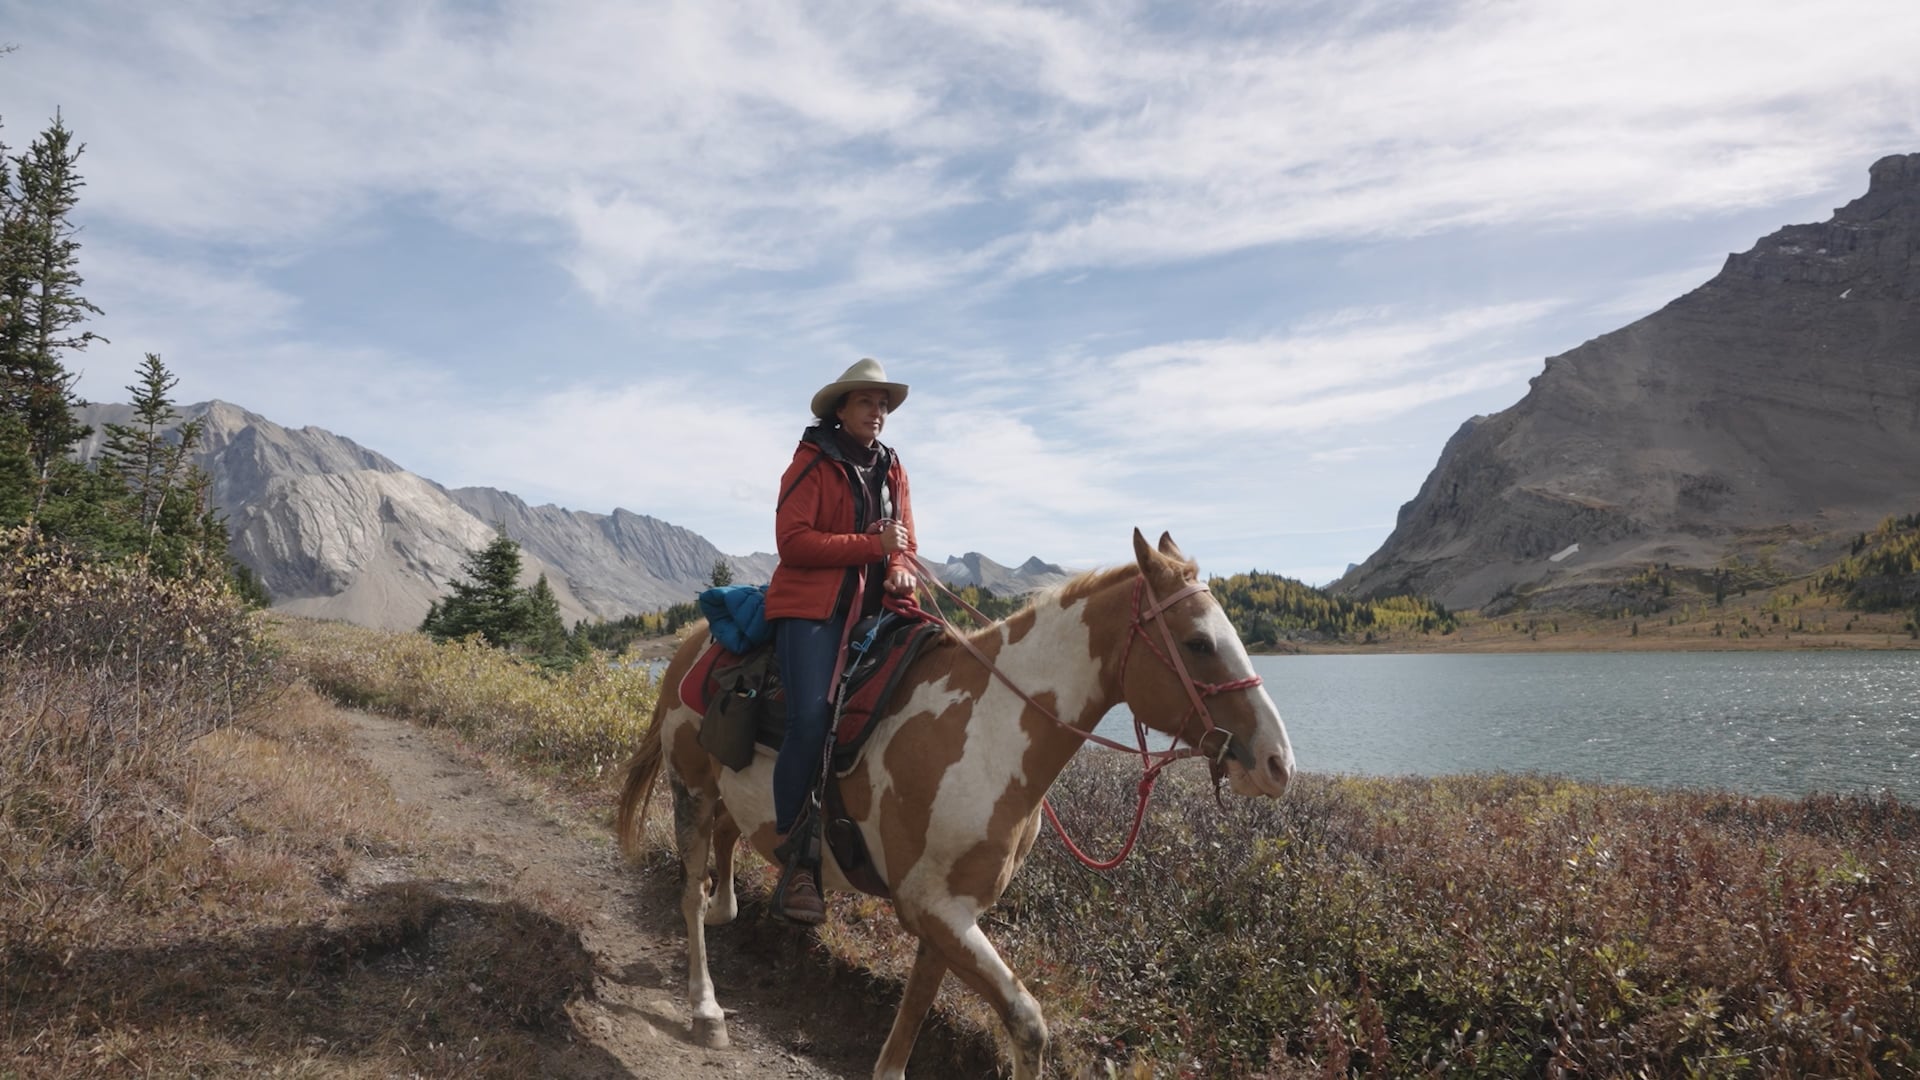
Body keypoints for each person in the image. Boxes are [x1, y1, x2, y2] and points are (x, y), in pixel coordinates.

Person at [763, 358, 918, 923]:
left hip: (880, 602)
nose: (877, 413)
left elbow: (902, 537)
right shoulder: (811, 462)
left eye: (883, 405)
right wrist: (870, 548)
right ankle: (796, 856)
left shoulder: (892, 465)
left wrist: (899, 563)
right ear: (841, 408)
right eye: (866, 403)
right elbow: (792, 542)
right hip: (813, 605)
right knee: (810, 715)